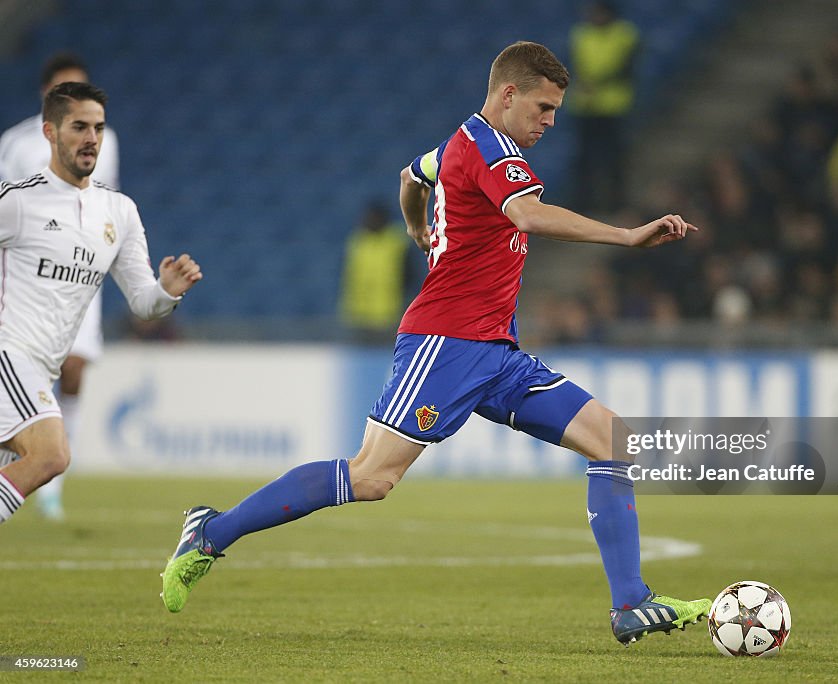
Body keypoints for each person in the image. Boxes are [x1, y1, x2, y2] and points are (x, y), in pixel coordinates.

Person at [160, 41, 708, 646]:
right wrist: (627, 237)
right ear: (508, 95)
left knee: (612, 440)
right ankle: (211, 531)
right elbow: (528, 216)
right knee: (371, 478)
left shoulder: (456, 145)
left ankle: (631, 603)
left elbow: (409, 176)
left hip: (496, 351)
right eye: (544, 108)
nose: (550, 122)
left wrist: (417, 225)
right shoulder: (492, 149)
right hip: (443, 343)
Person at [0, 82, 201, 524]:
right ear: (49, 133)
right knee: (51, 454)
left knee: (38, 459)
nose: (91, 138)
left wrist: (167, 291)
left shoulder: (119, 212)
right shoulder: (17, 202)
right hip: (10, 357)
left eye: (99, 128)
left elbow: (144, 303)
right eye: (79, 127)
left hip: (42, 365)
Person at [0, 52, 121, 520]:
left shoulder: (105, 141)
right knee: (25, 372)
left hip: (80, 275)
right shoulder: (15, 144)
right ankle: (29, 462)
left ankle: (53, 482)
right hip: (28, 279)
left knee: (73, 369)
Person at [568, 1, 640, 215]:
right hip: (585, 105)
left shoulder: (625, 34)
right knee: (584, 158)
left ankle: (616, 202)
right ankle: (584, 202)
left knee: (614, 158)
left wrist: (596, 83)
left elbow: (626, 68)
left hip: (613, 105)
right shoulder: (581, 34)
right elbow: (573, 64)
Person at [337, 199, 420, 341]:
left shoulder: (398, 242)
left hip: (389, 316)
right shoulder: (357, 241)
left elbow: (411, 277)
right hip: (358, 316)